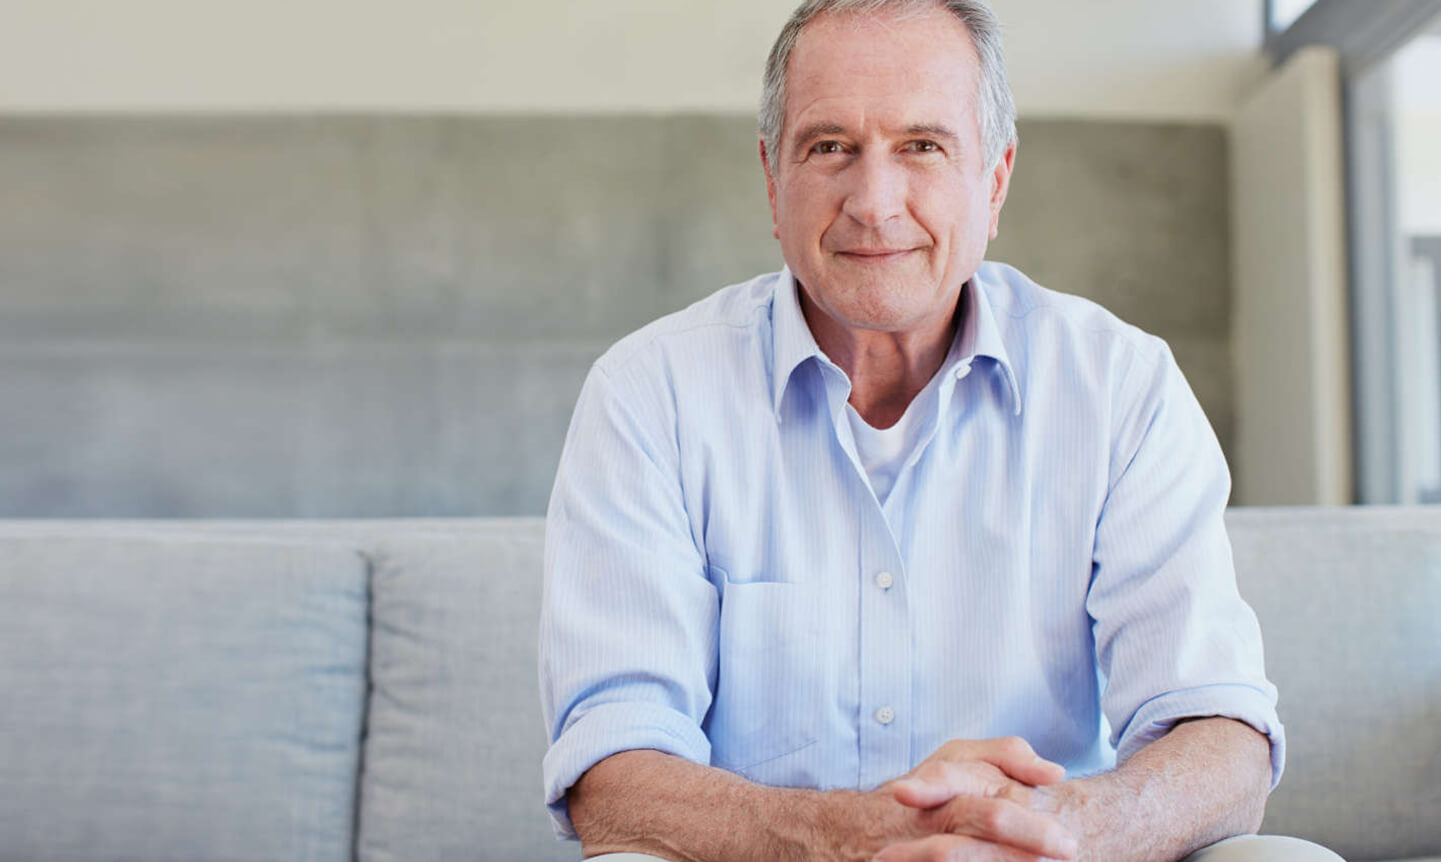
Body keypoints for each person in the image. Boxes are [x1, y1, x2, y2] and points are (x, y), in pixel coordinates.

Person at [536, 1, 1345, 860]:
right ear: (774, 180)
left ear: (994, 179)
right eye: (829, 146)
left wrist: (1055, 831)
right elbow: (611, 774)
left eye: (923, 146)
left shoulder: (1119, 385)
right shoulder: (648, 393)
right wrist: (856, 840)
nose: (874, 202)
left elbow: (1222, 736)